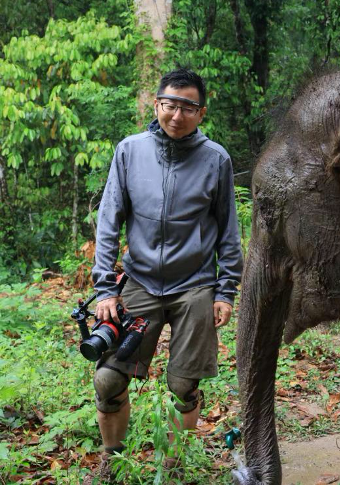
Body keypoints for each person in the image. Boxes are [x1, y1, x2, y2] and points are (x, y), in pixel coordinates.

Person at [86, 68, 243, 481]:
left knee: (183, 386)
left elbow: (228, 230)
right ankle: (112, 460)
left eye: (187, 107)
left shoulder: (216, 160)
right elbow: (108, 222)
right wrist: (106, 288)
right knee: (107, 379)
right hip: (139, 282)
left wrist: (225, 291)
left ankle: (175, 464)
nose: (177, 115)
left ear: (201, 112)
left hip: (194, 287)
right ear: (156, 105)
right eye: (170, 105)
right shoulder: (130, 151)